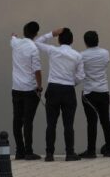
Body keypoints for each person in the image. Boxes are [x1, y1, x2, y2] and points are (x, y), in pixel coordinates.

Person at [34, 27, 85, 161]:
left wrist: (52, 33)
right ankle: (70, 153)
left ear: (59, 40)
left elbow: (37, 43)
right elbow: (81, 76)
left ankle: (49, 154)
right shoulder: (77, 55)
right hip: (68, 90)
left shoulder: (53, 50)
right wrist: (71, 82)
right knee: (68, 125)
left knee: (51, 124)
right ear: (72, 41)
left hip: (53, 89)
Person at [78, 30, 110, 159]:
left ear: (85, 42)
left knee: (91, 122)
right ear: (97, 40)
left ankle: (91, 151)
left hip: (89, 92)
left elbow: (80, 72)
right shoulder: (105, 53)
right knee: (105, 121)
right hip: (103, 91)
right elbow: (105, 65)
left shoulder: (82, 55)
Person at [10, 21, 43, 160]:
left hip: (16, 88)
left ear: (24, 31)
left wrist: (14, 36)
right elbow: (37, 70)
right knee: (28, 121)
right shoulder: (33, 48)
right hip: (30, 89)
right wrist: (39, 86)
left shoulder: (16, 43)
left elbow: (12, 37)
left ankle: (19, 151)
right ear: (36, 34)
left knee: (17, 120)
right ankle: (29, 151)